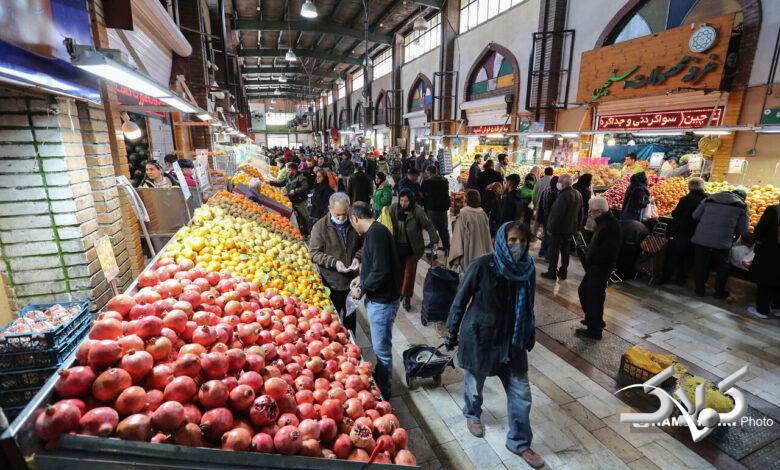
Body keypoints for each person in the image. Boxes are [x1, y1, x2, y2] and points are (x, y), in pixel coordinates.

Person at [445, 221, 545, 469]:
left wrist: (528, 331)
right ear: (502, 240)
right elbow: (460, 300)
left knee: (521, 394)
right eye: (512, 240)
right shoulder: (482, 265)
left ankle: (519, 442)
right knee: (474, 384)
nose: (517, 245)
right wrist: (451, 332)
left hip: (513, 341)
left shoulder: (528, 268)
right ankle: (472, 414)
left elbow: (529, 303)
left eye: (522, 240)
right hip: (481, 337)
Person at [348, 202, 401, 397]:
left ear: (355, 218)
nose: (353, 227)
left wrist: (361, 288)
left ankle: (384, 392)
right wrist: (361, 277)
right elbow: (375, 264)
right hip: (379, 298)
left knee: (382, 350)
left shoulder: (377, 234)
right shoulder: (373, 232)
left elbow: (381, 270)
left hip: (383, 301)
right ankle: (382, 383)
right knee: (380, 346)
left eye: (351, 223)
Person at [309, 193, 362, 333]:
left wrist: (357, 257)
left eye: (345, 214)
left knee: (351, 316)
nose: (341, 218)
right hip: (332, 281)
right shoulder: (320, 227)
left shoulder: (354, 222)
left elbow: (365, 245)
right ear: (329, 209)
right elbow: (314, 253)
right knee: (334, 321)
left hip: (352, 281)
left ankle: (352, 341)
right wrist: (334, 263)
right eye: (338, 214)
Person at [691, 189, 750, 298]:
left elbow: (695, 216)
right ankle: (718, 292)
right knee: (722, 268)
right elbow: (743, 230)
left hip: (702, 239)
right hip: (723, 242)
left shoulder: (708, 199)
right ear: (743, 198)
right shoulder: (742, 206)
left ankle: (699, 290)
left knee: (701, 265)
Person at [388, 189, 440, 312]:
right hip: (397, 247)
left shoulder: (417, 211)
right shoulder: (394, 209)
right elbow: (385, 223)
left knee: (409, 275)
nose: (403, 203)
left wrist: (434, 240)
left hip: (412, 248)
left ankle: (406, 298)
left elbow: (428, 225)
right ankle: (398, 293)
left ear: (411, 201)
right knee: (398, 272)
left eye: (406, 201)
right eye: (401, 200)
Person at [576, 197, 621, 340]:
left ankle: (594, 330)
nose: (590, 214)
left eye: (591, 212)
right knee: (584, 292)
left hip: (600, 268)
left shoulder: (611, 226)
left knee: (594, 297)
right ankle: (593, 319)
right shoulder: (604, 222)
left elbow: (608, 252)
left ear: (600, 211)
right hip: (595, 267)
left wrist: (594, 261)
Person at [662, 177, 707, 284]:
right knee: (689, 257)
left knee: (675, 254)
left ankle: (667, 277)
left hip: (682, 231)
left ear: (689, 187)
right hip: (697, 232)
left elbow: (675, 214)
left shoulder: (685, 199)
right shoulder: (707, 200)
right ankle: (681, 279)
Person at [541, 174, 582, 281]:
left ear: (564, 183)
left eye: (559, 181)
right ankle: (563, 272)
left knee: (554, 251)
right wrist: (577, 228)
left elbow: (557, 214)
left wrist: (550, 228)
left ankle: (552, 272)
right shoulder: (577, 194)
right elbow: (581, 213)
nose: (557, 183)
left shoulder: (564, 196)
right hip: (570, 229)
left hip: (558, 229)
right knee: (565, 251)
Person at [748, 196, 780, 319]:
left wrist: (761, 239)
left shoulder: (774, 210)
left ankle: (762, 310)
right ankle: (777, 307)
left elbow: (759, 231)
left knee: (766, 278)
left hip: (771, 250)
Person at [448, 190, 493, 271]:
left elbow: (458, 241)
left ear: (467, 201)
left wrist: (456, 260)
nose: (462, 202)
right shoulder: (483, 214)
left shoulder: (463, 215)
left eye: (464, 199)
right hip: (483, 255)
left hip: (468, 256)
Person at [270, 162, 311, 237]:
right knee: (298, 217)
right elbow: (282, 183)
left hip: (300, 201)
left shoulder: (301, 177)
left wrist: (295, 191)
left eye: (288, 170)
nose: (287, 171)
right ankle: (303, 233)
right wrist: (270, 182)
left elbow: (305, 186)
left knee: (305, 216)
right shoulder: (289, 175)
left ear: (293, 170)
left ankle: (309, 233)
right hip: (292, 200)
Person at [421, 165, 451, 254]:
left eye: (427, 173)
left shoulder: (427, 182)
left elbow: (422, 193)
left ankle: (433, 251)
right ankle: (447, 247)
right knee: (444, 229)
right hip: (443, 208)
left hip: (432, 208)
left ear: (429, 172)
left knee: (432, 229)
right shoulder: (445, 180)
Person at [536, 175, 559, 260]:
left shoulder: (545, 191)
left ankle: (542, 251)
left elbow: (540, 205)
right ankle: (548, 255)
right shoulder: (558, 193)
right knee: (551, 237)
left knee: (546, 234)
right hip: (553, 218)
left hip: (545, 217)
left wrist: (539, 217)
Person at [532, 167, 554, 238]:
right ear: (552, 172)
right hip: (549, 205)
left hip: (539, 203)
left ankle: (533, 235)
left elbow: (534, 194)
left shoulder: (539, 181)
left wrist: (534, 204)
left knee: (537, 221)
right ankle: (543, 235)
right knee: (546, 221)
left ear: (544, 172)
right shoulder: (553, 181)